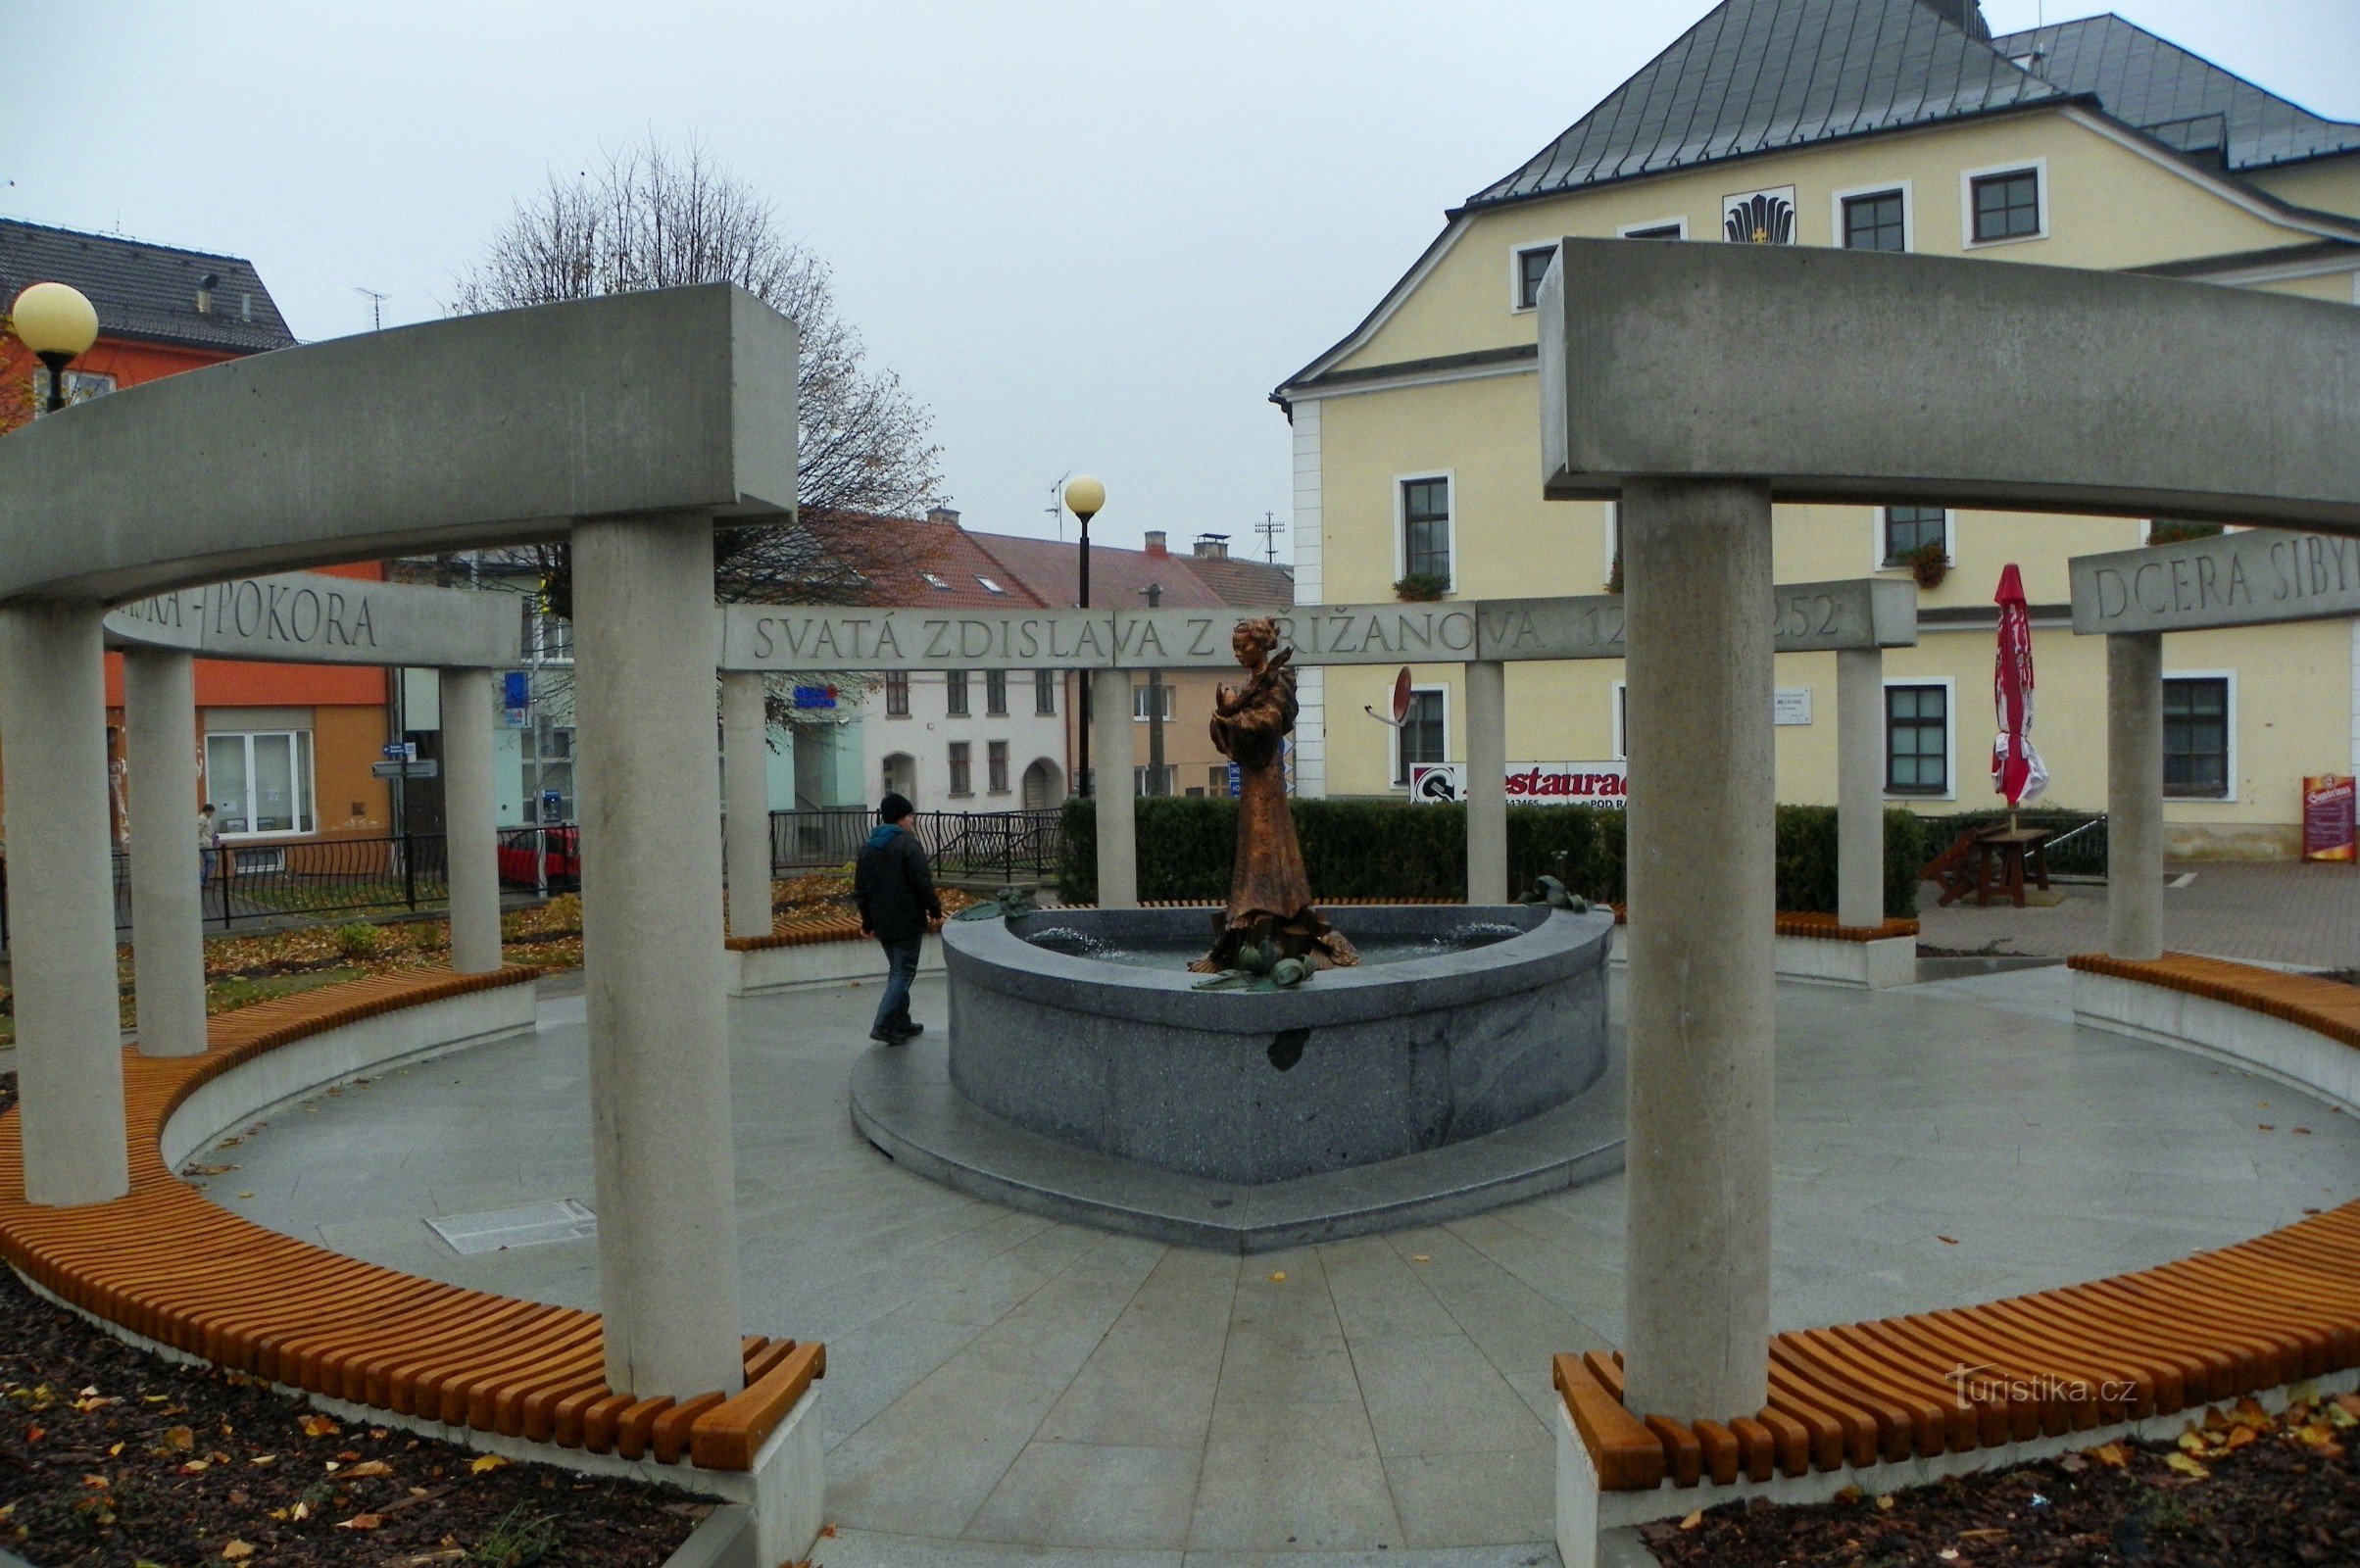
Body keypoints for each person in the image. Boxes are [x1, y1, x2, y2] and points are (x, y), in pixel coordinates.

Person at [854, 792, 941, 1045]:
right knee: (903, 973)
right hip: (907, 919)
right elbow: (922, 882)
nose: (912, 820)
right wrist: (934, 908)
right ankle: (882, 1025)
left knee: (897, 970)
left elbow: (862, 890)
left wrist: (868, 920)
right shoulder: (907, 845)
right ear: (900, 819)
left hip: (882, 921)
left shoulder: (868, 847)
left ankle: (901, 1020)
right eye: (909, 816)